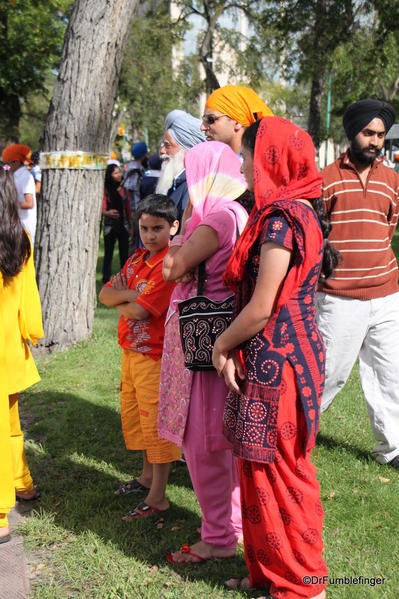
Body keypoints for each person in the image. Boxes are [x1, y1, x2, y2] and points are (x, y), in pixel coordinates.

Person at [212, 117, 338, 597]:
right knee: (258, 468)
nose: (241, 164)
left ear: (271, 159)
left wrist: (222, 345)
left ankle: (303, 585)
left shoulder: (283, 219)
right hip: (276, 357)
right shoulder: (292, 210)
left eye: (246, 154)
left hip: (278, 363)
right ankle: (268, 573)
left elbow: (262, 307)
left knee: (280, 473)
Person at [159, 141, 248, 563]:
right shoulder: (233, 213)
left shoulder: (215, 218)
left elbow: (171, 269)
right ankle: (232, 525)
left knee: (205, 442)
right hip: (215, 335)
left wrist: (176, 243)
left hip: (205, 340)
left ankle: (218, 538)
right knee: (219, 440)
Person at [317, 98, 399, 469]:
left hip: (386, 293)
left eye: (380, 135)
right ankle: (297, 434)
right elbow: (318, 234)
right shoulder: (326, 179)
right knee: (328, 373)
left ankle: (393, 449)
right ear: (353, 133)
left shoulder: (392, 180)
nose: (375, 141)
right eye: (368, 133)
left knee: (389, 372)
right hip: (338, 297)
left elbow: (388, 228)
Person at [99, 194, 181, 521]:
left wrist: (127, 300)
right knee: (137, 418)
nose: (150, 235)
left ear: (173, 226)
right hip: (131, 352)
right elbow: (105, 293)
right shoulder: (137, 259)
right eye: (144, 228)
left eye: (157, 228)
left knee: (156, 422)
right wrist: (129, 298)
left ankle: (158, 495)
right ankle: (146, 477)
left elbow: (139, 312)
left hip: (155, 356)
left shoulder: (168, 264)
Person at [0, 166, 44, 543]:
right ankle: (22, 483)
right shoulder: (20, 239)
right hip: (11, 349)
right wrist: (31, 333)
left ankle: (0, 512)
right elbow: (28, 300)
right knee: (9, 423)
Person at [156, 109, 205, 222]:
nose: (162, 150)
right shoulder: (177, 183)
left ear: (187, 149)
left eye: (167, 145)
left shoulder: (192, 189)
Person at [201, 84, 273, 154]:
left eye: (210, 119)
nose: (202, 127)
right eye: (204, 119)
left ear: (237, 122)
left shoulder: (254, 165)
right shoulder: (215, 162)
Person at [2, 144, 37, 248]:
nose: (5, 167)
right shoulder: (15, 175)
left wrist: (9, 203)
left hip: (25, 225)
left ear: (16, 162)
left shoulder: (26, 177)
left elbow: (29, 203)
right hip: (16, 224)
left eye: (7, 164)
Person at [102, 163, 132, 284]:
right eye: (115, 173)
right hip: (110, 226)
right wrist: (107, 213)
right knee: (108, 253)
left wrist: (131, 226)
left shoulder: (124, 191)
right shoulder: (106, 190)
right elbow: (102, 209)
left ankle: (125, 278)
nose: (119, 175)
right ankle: (105, 278)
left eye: (119, 172)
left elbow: (128, 210)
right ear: (109, 175)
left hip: (123, 225)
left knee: (124, 253)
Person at [124, 141, 148, 251]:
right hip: (134, 208)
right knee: (133, 238)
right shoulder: (136, 169)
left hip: (128, 208)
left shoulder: (128, 166)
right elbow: (131, 189)